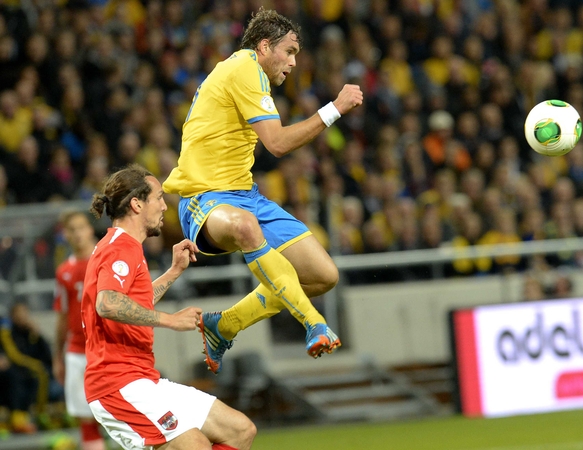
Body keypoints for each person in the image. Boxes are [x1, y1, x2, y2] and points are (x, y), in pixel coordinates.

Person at [163, 7, 363, 372]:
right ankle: (313, 323)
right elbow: (277, 144)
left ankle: (222, 325)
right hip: (203, 199)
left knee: (323, 276)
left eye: (297, 55)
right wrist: (334, 109)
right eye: (289, 52)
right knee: (244, 227)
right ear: (265, 46)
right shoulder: (244, 68)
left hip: (245, 195)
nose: (293, 62)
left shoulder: (251, 75)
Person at [82, 164, 256, 450]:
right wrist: (170, 321)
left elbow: (130, 304)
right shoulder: (120, 247)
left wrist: (174, 271)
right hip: (117, 384)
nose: (164, 206)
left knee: (239, 430)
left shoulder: (123, 247)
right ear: (137, 204)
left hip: (141, 378)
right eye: (159, 197)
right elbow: (108, 303)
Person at [52, 211, 105, 450]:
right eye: (71, 229)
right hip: (77, 350)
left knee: (125, 413)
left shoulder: (106, 258)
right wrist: (57, 357)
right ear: (66, 235)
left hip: (109, 347)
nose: (77, 233)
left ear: (90, 229)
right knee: (86, 418)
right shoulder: (63, 271)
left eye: (81, 227)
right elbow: (62, 316)